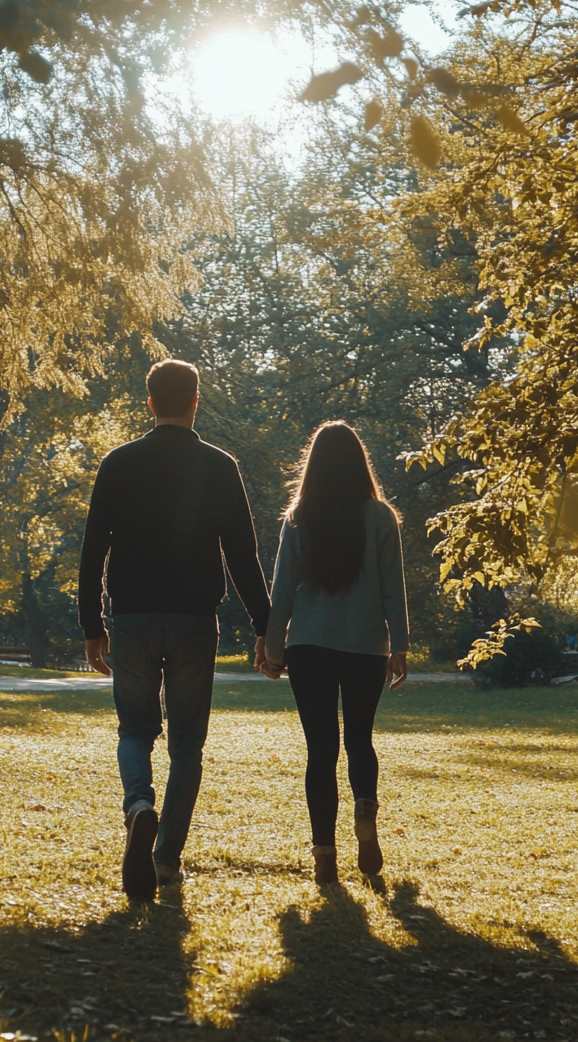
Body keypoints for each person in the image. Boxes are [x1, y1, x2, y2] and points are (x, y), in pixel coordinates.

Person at [78, 358, 271, 899]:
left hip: (133, 617)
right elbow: (243, 555)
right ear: (195, 401)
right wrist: (265, 625)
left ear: (149, 403)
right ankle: (164, 860)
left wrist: (92, 624)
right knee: (187, 743)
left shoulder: (118, 463)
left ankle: (139, 804)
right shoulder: (219, 466)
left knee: (134, 730)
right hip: (193, 621)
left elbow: (94, 549)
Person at [260, 421, 409, 885]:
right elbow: (392, 587)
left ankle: (325, 852)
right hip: (365, 645)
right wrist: (399, 645)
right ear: (359, 464)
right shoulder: (381, 517)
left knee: (320, 749)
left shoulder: (300, 517)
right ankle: (365, 807)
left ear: (314, 466)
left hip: (310, 645)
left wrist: (272, 644)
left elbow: (282, 588)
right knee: (359, 739)